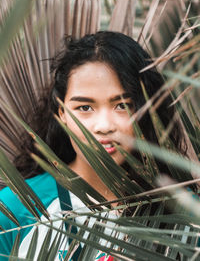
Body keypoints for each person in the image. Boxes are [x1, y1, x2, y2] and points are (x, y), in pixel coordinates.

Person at [0, 31, 193, 260]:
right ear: (62, 113)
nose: (103, 126)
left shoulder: (183, 212)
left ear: (146, 110)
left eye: (122, 105)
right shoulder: (15, 209)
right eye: (85, 108)